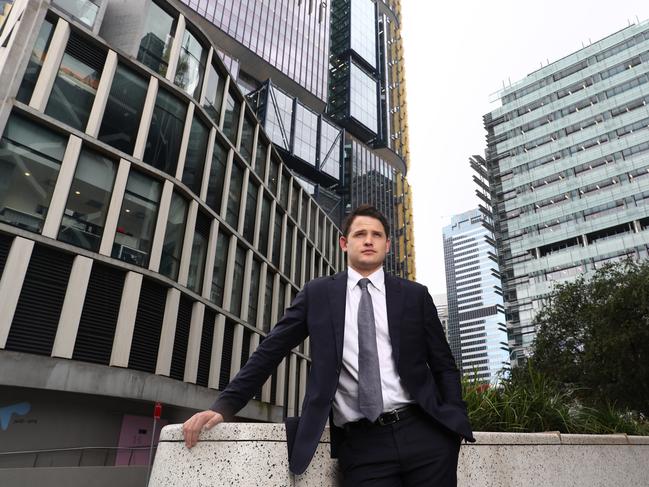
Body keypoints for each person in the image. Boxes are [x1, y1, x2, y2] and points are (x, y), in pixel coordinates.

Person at [183, 204, 475, 486]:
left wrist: (454, 420)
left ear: (388, 245)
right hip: (362, 444)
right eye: (360, 234)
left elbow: (443, 364)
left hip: (424, 433)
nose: (369, 240)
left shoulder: (415, 296)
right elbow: (271, 351)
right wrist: (226, 406)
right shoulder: (318, 294)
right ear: (344, 243)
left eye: (376, 235)